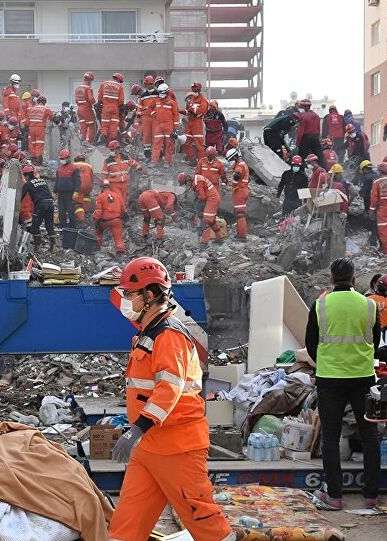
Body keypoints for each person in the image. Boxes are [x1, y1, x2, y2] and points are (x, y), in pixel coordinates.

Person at [108, 257, 235, 541]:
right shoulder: (150, 334)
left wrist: (137, 428)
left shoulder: (169, 336)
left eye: (130, 294)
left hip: (177, 447)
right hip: (149, 448)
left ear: (149, 295)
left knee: (203, 520)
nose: (126, 301)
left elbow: (169, 389)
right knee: (127, 524)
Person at [305, 258, 382, 512]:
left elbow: (311, 344)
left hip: (330, 379)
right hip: (362, 377)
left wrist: (327, 363)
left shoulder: (320, 305)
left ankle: (335, 496)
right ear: (353, 278)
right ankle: (371, 495)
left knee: (330, 437)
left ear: (331, 278)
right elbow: (376, 340)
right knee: (370, 435)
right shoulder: (369, 305)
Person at [178, 172, 225, 245]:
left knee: (207, 220)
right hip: (211, 198)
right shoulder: (196, 180)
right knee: (212, 221)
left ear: (188, 179)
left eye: (185, 183)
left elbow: (202, 197)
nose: (186, 185)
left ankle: (204, 242)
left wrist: (199, 209)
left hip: (212, 199)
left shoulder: (197, 182)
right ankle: (219, 238)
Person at [21, 164, 57, 249]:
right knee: (49, 225)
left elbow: (20, 196)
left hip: (41, 204)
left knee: (34, 226)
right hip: (50, 203)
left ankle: (38, 247)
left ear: (26, 175)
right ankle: (54, 247)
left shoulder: (28, 184)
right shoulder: (42, 180)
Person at [149, 83, 180, 166]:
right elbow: (150, 108)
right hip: (159, 125)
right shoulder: (156, 100)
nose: (161, 95)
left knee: (169, 144)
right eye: (160, 93)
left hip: (169, 126)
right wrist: (153, 113)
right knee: (156, 143)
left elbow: (176, 115)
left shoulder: (172, 103)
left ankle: (167, 162)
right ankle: (153, 161)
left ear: (166, 92)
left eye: (162, 93)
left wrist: (176, 128)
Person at [93, 179, 126, 254]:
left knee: (98, 231)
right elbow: (123, 209)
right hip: (116, 220)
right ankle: (120, 249)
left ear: (101, 187)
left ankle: (97, 246)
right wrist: (120, 217)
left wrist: (95, 220)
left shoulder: (100, 197)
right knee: (118, 238)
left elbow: (98, 212)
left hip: (105, 221)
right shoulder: (117, 196)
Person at [183, 82, 209, 163]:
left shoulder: (203, 100)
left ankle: (201, 162)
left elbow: (201, 111)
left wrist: (191, 109)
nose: (194, 91)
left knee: (199, 145)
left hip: (197, 123)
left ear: (199, 89)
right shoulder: (192, 100)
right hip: (189, 123)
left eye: (195, 89)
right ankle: (192, 159)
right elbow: (188, 112)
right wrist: (179, 110)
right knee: (185, 143)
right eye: (193, 89)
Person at [296, 99, 325, 169]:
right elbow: (318, 129)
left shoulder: (303, 116)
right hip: (315, 138)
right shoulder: (316, 115)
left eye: (301, 107)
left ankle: (301, 173)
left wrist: (297, 143)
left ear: (305, 107)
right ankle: (325, 171)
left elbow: (300, 131)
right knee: (319, 157)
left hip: (306, 138)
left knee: (302, 157)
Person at [54, 149, 80, 228]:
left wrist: (76, 191)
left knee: (70, 211)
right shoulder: (59, 168)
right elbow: (57, 180)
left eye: (63, 159)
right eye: (61, 159)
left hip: (69, 193)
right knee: (61, 212)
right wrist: (54, 191)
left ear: (68, 158)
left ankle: (73, 228)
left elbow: (77, 180)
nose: (62, 160)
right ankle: (63, 228)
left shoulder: (74, 168)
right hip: (61, 193)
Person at [356, 160, 379, 247]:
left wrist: (360, 192)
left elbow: (363, 191)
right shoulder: (376, 176)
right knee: (378, 223)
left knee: (371, 223)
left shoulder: (366, 178)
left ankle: (373, 243)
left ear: (364, 169)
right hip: (378, 203)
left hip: (369, 202)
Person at [228, 147, 250, 239]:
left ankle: (241, 236)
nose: (231, 161)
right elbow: (248, 178)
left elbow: (237, 176)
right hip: (243, 190)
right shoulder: (243, 164)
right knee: (240, 214)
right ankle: (240, 234)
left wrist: (235, 185)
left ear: (235, 157)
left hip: (239, 191)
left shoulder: (239, 166)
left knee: (240, 214)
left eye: (231, 159)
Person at [98, 73, 125, 143]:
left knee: (104, 124)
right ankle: (112, 141)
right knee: (114, 125)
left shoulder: (103, 84)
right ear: (118, 79)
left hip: (106, 108)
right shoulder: (120, 86)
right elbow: (121, 100)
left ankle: (103, 138)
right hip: (115, 108)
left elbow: (100, 98)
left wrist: (101, 103)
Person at [26, 96, 54, 163]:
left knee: (32, 144)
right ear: (44, 102)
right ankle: (38, 160)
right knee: (39, 144)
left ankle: (33, 159)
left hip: (31, 128)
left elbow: (27, 122)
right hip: (40, 128)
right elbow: (52, 117)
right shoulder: (45, 108)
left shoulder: (31, 109)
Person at [137, 75, 158, 159]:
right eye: (147, 84)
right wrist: (139, 115)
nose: (149, 86)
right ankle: (147, 153)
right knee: (146, 135)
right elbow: (139, 106)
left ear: (153, 84)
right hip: (145, 117)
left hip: (155, 117)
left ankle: (158, 153)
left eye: (150, 84)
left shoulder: (158, 93)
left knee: (156, 135)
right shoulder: (142, 95)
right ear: (145, 85)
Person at [72, 154, 95, 225]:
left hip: (78, 186)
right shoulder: (89, 166)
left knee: (77, 204)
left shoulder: (72, 165)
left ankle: (81, 219)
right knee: (86, 196)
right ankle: (86, 212)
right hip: (88, 186)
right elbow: (92, 177)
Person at [75, 72, 98, 143]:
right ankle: (91, 142)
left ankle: (82, 142)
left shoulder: (78, 88)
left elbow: (76, 100)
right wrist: (95, 104)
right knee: (91, 125)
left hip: (79, 109)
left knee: (83, 126)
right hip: (87, 109)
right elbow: (91, 99)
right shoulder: (88, 88)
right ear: (90, 80)